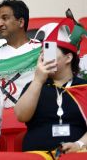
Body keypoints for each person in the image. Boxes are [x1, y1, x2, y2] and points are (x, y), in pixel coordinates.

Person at [14, 18, 87, 155]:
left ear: (68, 58)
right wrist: (37, 81)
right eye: (43, 52)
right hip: (36, 155)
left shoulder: (83, 87)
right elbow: (21, 115)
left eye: (50, 51)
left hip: (76, 155)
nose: (44, 57)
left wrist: (79, 144)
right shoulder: (35, 85)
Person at [0, 0, 41, 107]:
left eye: (5, 18)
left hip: (36, 116)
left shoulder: (41, 50)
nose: (0, 24)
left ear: (21, 22)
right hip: (2, 119)